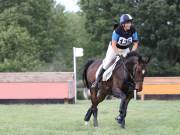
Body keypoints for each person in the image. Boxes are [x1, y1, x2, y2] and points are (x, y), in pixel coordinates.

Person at [91, 14, 139, 90]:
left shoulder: (133, 30)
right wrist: (118, 53)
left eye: (130, 22)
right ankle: (97, 82)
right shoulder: (117, 31)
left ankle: (131, 83)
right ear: (123, 24)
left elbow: (136, 43)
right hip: (114, 48)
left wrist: (131, 53)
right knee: (107, 63)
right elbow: (113, 45)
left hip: (125, 49)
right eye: (128, 22)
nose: (129, 24)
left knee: (131, 64)